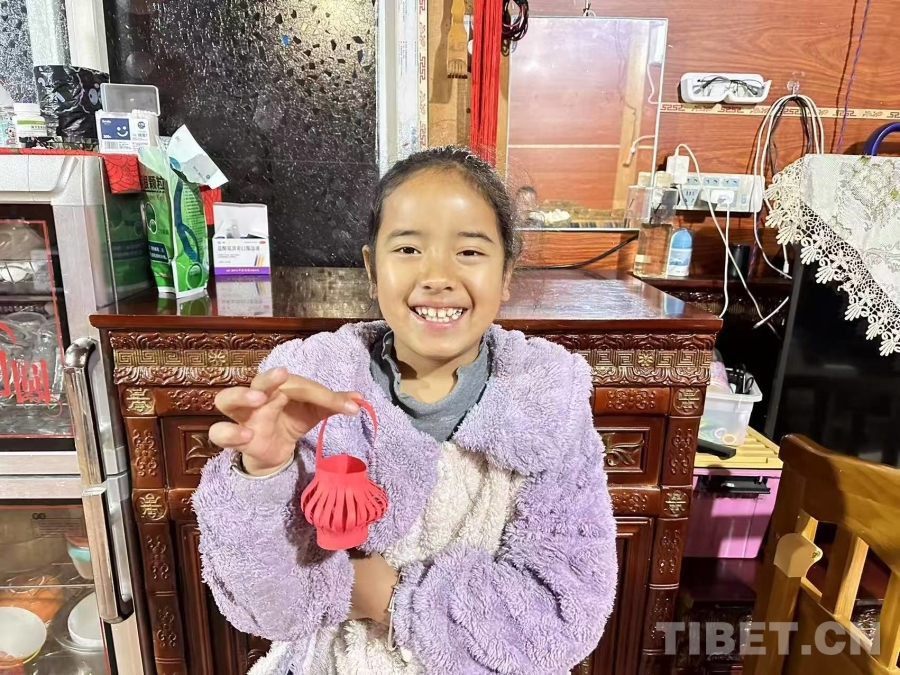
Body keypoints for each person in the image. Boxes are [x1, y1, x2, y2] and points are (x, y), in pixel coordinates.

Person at [193, 146, 618, 675]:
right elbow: (269, 609)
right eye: (409, 248)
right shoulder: (311, 389)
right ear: (372, 268)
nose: (437, 275)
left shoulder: (550, 403)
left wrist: (386, 595)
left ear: (506, 272)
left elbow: (565, 614)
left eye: (470, 251)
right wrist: (264, 472)